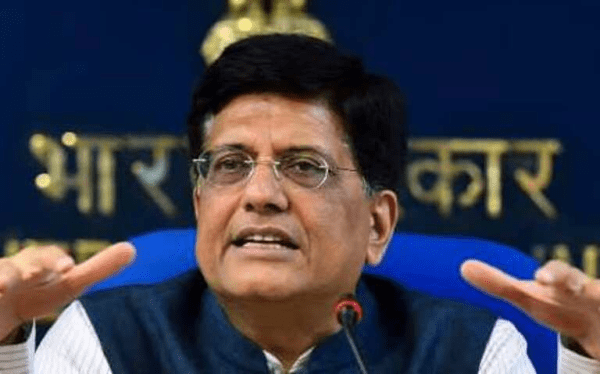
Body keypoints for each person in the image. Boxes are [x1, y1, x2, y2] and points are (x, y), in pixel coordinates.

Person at [0, 34, 599, 373]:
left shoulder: (468, 354)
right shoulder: (109, 342)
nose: (260, 195)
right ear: (200, 203)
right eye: (231, 165)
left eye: (305, 167)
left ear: (377, 224)